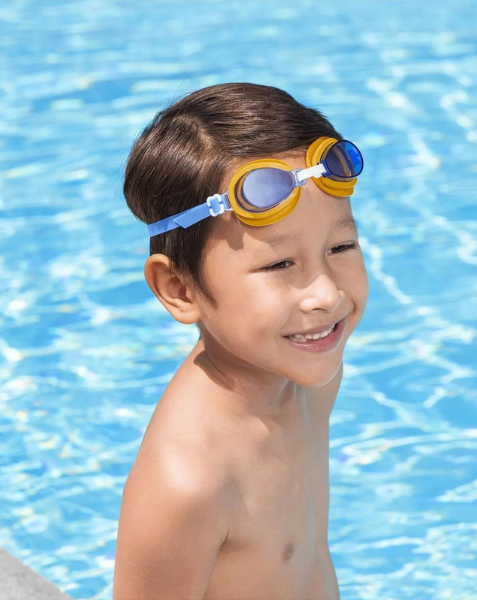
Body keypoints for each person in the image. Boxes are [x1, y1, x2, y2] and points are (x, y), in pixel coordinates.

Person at [112, 82, 369, 600]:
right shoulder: (188, 482)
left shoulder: (309, 377)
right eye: (280, 264)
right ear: (179, 289)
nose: (325, 294)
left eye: (341, 246)